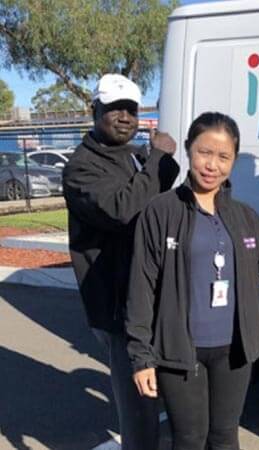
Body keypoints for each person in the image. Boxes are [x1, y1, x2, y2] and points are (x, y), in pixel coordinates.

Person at [124, 112, 259, 450]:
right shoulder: (161, 211)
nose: (212, 165)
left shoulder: (243, 217)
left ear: (234, 160)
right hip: (180, 353)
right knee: (190, 439)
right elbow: (141, 287)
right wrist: (141, 358)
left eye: (223, 157)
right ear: (189, 150)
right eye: (204, 152)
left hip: (234, 353)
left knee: (225, 437)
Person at [62, 73, 179, 449]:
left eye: (130, 109)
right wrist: (157, 157)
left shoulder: (133, 155)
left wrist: (158, 160)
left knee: (162, 390)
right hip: (118, 304)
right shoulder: (81, 167)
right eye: (115, 109)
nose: (125, 117)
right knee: (139, 406)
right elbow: (122, 209)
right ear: (95, 110)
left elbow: (164, 186)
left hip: (149, 293)